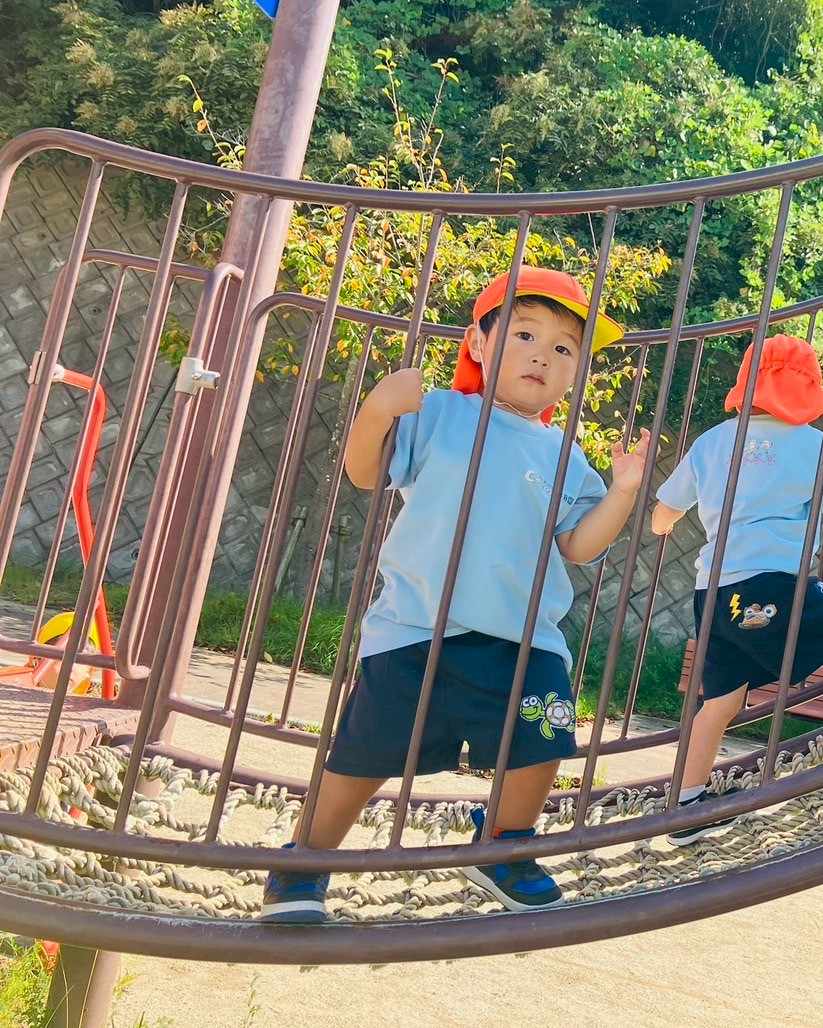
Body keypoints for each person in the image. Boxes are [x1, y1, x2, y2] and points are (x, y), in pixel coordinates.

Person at [261, 267, 650, 921]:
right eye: (524, 334)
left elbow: (579, 545)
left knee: (544, 742)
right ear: (477, 343)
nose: (542, 356)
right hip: (417, 624)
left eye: (563, 348)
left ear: (576, 372)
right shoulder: (442, 412)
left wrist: (623, 492)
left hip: (523, 637)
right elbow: (366, 472)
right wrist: (378, 408)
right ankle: (304, 862)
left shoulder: (564, 455)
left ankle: (502, 845)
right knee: (363, 755)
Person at [651, 334, 823, 846]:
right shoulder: (813, 445)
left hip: (713, 593)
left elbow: (664, 513)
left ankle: (685, 805)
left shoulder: (713, 441)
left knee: (720, 702)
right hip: (771, 586)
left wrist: (665, 523)